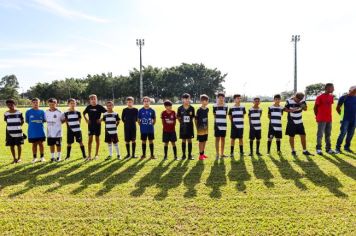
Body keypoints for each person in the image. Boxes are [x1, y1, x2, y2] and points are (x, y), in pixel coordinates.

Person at [314, 83, 336, 155]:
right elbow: (315, 108)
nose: (333, 89)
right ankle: (318, 148)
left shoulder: (331, 97)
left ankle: (328, 149)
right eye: (332, 88)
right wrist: (317, 116)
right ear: (327, 88)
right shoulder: (320, 97)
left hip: (329, 118)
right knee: (320, 134)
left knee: (328, 134)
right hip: (321, 119)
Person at [83, 94, 107, 160]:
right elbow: (84, 113)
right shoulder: (88, 107)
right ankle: (89, 156)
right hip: (90, 126)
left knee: (97, 139)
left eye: (94, 99)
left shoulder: (99, 107)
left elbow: (106, 113)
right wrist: (86, 119)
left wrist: (101, 119)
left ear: (97, 99)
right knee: (90, 140)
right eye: (92, 99)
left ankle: (96, 154)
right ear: (90, 100)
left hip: (97, 126)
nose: (93, 100)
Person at [335, 86, 356, 153]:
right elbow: (338, 108)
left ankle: (347, 147)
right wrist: (342, 116)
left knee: (351, 134)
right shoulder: (343, 97)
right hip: (345, 119)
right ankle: (337, 148)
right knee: (343, 133)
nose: (355, 92)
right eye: (354, 90)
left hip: (354, 119)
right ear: (350, 90)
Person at [4, 99, 25, 163]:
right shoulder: (6, 113)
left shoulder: (19, 112)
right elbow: (6, 121)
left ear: (14, 104)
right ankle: (14, 158)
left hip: (18, 131)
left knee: (19, 145)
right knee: (11, 145)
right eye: (8, 105)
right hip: (9, 132)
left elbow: (22, 121)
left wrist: (17, 127)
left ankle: (19, 158)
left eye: (11, 104)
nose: (10, 106)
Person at [26, 98, 46, 163]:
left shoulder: (42, 111)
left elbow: (44, 120)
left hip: (40, 131)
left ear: (39, 103)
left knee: (41, 144)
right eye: (34, 102)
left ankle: (42, 157)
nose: (35, 104)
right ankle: (34, 158)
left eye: (37, 102)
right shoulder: (28, 112)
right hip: (32, 131)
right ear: (31, 103)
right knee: (34, 144)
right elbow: (27, 121)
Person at [177, 93, 195, 160]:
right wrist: (182, 123)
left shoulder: (192, 108)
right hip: (183, 127)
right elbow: (178, 117)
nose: (186, 100)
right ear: (182, 99)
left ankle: (189, 155)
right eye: (185, 99)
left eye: (188, 98)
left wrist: (188, 123)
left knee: (189, 140)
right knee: (183, 140)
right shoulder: (180, 108)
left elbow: (192, 117)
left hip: (190, 127)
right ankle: (183, 155)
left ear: (190, 99)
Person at [213, 92, 228, 159]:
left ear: (224, 98)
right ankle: (217, 154)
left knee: (223, 139)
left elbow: (226, 115)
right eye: (220, 97)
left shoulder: (226, 106)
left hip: (224, 125)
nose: (221, 99)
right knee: (217, 139)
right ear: (217, 98)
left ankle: (222, 153)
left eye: (222, 97)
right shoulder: (214, 106)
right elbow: (214, 116)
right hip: (217, 125)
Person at [195, 94, 209, 160]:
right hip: (200, 129)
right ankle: (200, 155)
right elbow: (196, 120)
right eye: (203, 101)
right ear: (201, 101)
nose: (205, 102)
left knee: (204, 141)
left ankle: (203, 154)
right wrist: (197, 128)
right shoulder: (199, 110)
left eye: (206, 101)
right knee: (201, 141)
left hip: (206, 128)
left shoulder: (207, 109)